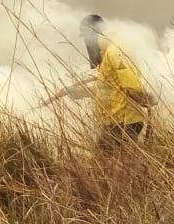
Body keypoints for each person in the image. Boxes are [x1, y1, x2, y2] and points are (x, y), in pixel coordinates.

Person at [50, 14, 156, 154]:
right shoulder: (108, 52)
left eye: (86, 37)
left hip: (124, 122)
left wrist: (145, 99)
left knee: (103, 164)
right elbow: (109, 89)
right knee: (119, 164)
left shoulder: (115, 51)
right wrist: (76, 92)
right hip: (116, 122)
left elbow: (132, 86)